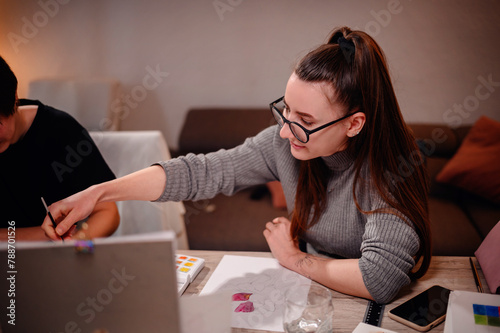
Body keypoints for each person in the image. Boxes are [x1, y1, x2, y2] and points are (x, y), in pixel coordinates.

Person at [42, 27, 430, 304]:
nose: (285, 131)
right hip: (313, 296)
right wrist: (100, 192)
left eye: (305, 122)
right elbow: (201, 172)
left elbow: (378, 279)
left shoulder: (391, 168)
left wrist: (294, 259)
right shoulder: (286, 143)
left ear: (354, 124)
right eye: (286, 109)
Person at [0, 56, 120, 241]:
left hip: (50, 257)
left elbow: (107, 212)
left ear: (14, 98)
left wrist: (75, 245)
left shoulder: (58, 130)